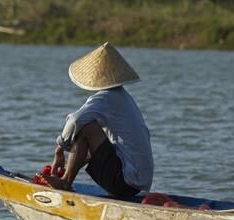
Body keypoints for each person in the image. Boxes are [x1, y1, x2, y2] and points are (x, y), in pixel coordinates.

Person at [43, 42, 154, 198]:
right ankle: (65, 178)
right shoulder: (124, 98)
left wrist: (59, 150)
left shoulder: (106, 98)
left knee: (87, 128)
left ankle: (65, 182)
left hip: (127, 183)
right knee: (89, 132)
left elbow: (75, 121)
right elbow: (89, 151)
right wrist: (70, 159)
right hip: (139, 184)